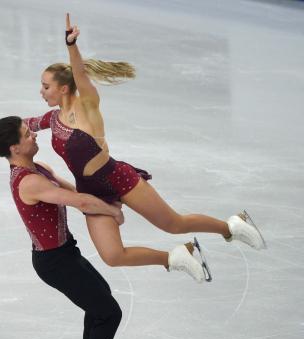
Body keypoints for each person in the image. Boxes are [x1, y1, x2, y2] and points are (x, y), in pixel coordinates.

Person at [24, 14, 266, 283]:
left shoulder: (86, 106)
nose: (42, 92)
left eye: (46, 87)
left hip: (117, 177)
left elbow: (80, 74)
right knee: (112, 256)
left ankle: (231, 226)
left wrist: (71, 46)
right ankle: (178, 257)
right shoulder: (53, 119)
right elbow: (25, 124)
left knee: (174, 224)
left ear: (65, 88)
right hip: (91, 192)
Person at [0, 115, 124, 339]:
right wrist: (112, 212)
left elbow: (74, 192)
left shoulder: (39, 169)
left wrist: (104, 199)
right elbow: (79, 203)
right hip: (54, 263)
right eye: (26, 134)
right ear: (14, 148)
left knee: (100, 304)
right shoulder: (28, 182)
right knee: (109, 312)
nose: (33, 134)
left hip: (66, 251)